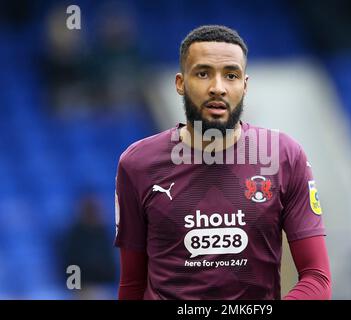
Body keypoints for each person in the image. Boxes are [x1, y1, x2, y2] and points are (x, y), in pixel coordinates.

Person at [114, 25, 331, 300]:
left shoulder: (284, 157)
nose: (218, 88)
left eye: (231, 75)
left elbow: (317, 278)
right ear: (180, 83)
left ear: (245, 85)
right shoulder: (138, 164)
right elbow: (132, 284)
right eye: (203, 74)